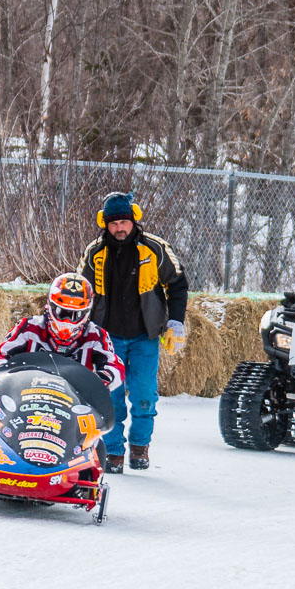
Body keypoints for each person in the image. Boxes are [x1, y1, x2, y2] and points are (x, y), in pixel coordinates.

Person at [79, 191, 188, 472]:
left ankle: (140, 448)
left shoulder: (154, 249)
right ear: (105, 223)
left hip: (145, 336)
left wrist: (175, 321)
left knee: (143, 395)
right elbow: (80, 290)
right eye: (113, 223)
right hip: (108, 339)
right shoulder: (94, 253)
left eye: (124, 222)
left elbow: (178, 284)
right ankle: (113, 453)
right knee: (111, 397)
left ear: (134, 220)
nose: (119, 228)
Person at [0, 273, 124, 389]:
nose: (67, 321)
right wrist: (7, 374)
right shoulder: (29, 327)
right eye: (62, 312)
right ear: (49, 306)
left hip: (75, 404)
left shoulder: (95, 335)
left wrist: (103, 378)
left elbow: (115, 365)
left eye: (75, 315)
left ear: (86, 314)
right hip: (26, 396)